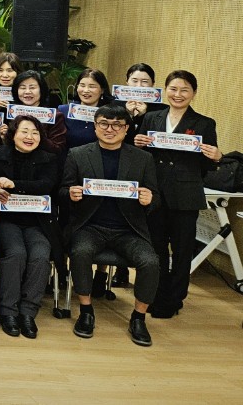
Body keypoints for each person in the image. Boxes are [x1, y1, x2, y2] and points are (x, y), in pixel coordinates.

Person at [61, 104, 160, 347]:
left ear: (126, 129)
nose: (110, 129)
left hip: (128, 230)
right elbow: (62, 191)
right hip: (89, 226)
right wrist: (70, 193)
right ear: (95, 127)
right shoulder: (77, 154)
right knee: (80, 253)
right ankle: (86, 311)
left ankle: (138, 318)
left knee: (150, 262)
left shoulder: (143, 158)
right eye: (104, 123)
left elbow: (155, 197)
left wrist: (149, 199)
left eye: (117, 125)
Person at [135, 70, 222, 318]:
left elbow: (206, 166)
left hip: (185, 195)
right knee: (156, 248)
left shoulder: (205, 123)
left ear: (194, 93)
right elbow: (142, 157)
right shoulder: (151, 118)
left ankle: (174, 299)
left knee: (182, 251)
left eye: (185, 90)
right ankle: (156, 295)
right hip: (155, 193)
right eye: (173, 89)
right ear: (165, 90)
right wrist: (137, 143)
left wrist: (217, 157)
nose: (178, 94)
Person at [0, 115, 58, 338]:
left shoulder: (49, 158)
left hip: (37, 222)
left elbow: (47, 186)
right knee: (16, 253)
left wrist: (14, 185)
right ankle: (8, 311)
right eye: (24, 131)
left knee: (41, 255)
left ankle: (28, 312)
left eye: (35, 133)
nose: (29, 137)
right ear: (13, 134)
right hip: (6, 219)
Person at [59, 68, 113, 151]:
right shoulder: (63, 111)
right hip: (68, 157)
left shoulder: (111, 113)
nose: (86, 90)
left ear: (102, 90)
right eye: (82, 85)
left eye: (92, 86)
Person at [122, 63, 165, 143]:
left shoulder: (162, 110)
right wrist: (129, 115)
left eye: (145, 81)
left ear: (152, 84)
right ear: (127, 82)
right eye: (134, 81)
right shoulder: (115, 105)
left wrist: (144, 116)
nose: (139, 86)